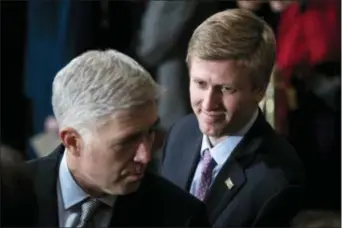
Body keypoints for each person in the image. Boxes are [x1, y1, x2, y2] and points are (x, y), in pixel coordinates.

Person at [22, 50, 210, 227]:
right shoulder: (9, 198)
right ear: (73, 142)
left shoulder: (181, 216)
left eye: (151, 131)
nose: (145, 156)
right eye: (127, 141)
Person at [161, 9, 306, 227]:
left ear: (259, 89)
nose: (209, 104)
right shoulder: (180, 133)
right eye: (200, 84)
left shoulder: (276, 181)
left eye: (226, 89)